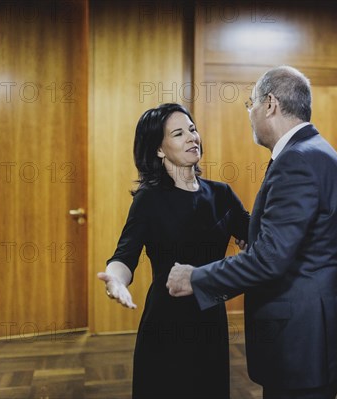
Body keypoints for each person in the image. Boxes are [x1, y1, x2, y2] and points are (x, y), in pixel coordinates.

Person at [167, 66, 337, 399]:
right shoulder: (318, 152)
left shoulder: (296, 161)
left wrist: (195, 278)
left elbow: (270, 260)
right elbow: (299, 240)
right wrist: (256, 234)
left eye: (249, 103)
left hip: (299, 343)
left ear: (269, 104)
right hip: (314, 337)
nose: (249, 113)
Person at [97, 103, 249, 399]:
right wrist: (116, 280)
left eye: (192, 129)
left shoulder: (222, 194)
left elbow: (260, 240)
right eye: (178, 134)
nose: (192, 137)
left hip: (210, 317)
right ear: (159, 149)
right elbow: (124, 256)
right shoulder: (149, 199)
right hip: (166, 321)